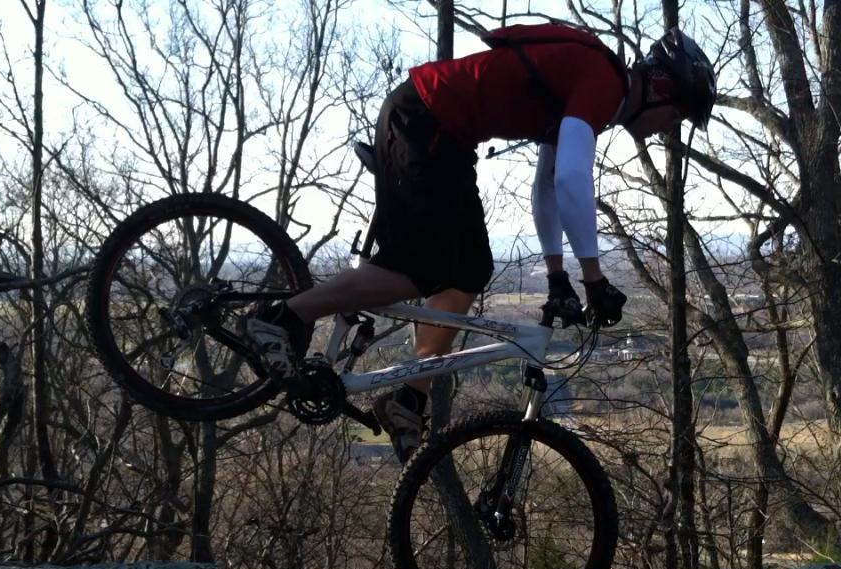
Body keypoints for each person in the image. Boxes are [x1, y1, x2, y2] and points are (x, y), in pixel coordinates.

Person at [246, 23, 717, 461]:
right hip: (425, 120)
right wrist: (592, 279)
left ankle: (410, 397)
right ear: (659, 90)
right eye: (675, 115)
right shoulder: (604, 82)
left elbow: (548, 186)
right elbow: (573, 179)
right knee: (416, 268)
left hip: (443, 134)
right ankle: (284, 317)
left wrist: (557, 273)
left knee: (470, 267)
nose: (668, 127)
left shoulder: (593, 88)